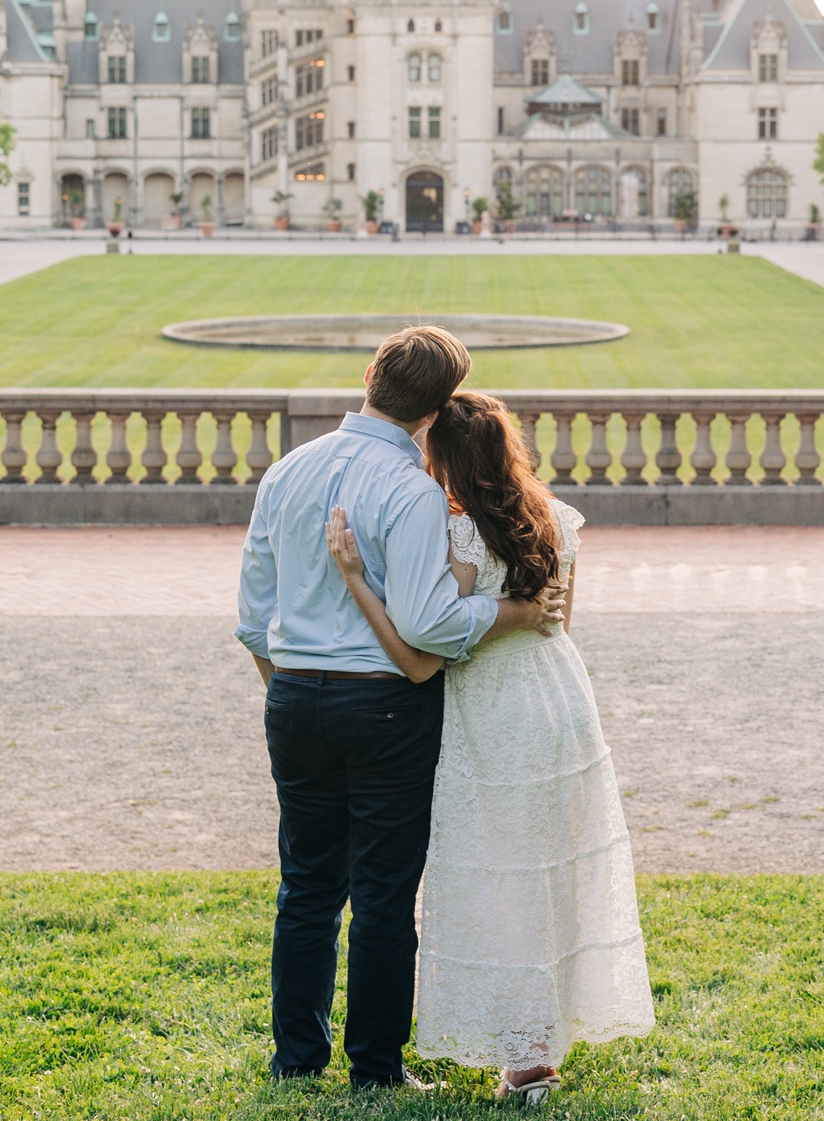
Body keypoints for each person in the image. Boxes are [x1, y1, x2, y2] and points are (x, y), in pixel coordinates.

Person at [234, 327, 566, 1090]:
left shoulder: (287, 471)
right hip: (384, 703)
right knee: (383, 892)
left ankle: (296, 1058)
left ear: (370, 374)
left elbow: (253, 616)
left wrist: (290, 688)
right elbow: (428, 623)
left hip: (292, 692)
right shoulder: (409, 488)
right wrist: (506, 616)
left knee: (308, 883)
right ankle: (376, 1069)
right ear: (434, 410)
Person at [325, 390, 654, 1105]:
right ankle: (538, 1046)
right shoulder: (557, 519)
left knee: (499, 877)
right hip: (562, 700)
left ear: (446, 457)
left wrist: (357, 578)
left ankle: (527, 1054)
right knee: (548, 868)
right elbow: (561, 623)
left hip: (493, 711)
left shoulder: (463, 536)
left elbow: (431, 645)